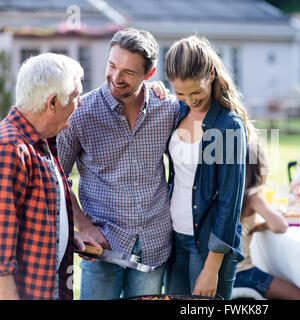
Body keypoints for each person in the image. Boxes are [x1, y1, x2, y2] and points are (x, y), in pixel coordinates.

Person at [56, 28, 180, 299]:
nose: (116, 77)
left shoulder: (169, 109)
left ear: (149, 73)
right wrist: (83, 225)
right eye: (112, 65)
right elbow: (57, 177)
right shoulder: (80, 114)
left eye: (129, 72)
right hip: (103, 247)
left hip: (155, 243)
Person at [163, 35, 251, 299]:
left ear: (211, 75)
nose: (190, 100)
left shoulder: (228, 127)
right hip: (175, 239)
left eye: (196, 92)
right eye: (180, 92)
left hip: (209, 248)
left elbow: (230, 202)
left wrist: (212, 267)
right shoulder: (177, 111)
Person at [0, 53, 94, 299]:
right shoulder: (10, 148)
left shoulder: (41, 140)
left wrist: (61, 233)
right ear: (53, 102)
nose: (80, 104)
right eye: (75, 97)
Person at [234, 141, 300, 300]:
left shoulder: (229, 192)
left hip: (222, 272)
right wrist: (269, 223)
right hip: (242, 273)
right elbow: (280, 226)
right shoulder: (253, 197)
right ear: (260, 168)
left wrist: (261, 225)